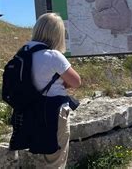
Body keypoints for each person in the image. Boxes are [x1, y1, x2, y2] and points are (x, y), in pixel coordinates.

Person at [26, 13, 81, 168]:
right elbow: (76, 81)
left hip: (31, 111)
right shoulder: (53, 55)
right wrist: (64, 85)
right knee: (55, 158)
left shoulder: (25, 52)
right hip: (53, 112)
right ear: (57, 34)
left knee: (40, 157)